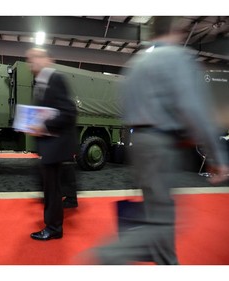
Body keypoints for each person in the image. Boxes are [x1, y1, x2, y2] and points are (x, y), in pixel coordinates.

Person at [86, 16, 229, 265]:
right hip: (162, 146)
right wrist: (217, 156)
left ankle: (167, 265)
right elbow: (195, 111)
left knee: (156, 214)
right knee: (163, 220)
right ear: (175, 30)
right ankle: (108, 256)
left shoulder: (137, 63)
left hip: (140, 145)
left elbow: (127, 110)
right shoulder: (178, 59)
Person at [25, 47, 78, 240]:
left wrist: (43, 125)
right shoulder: (41, 82)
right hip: (50, 145)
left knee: (53, 190)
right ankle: (53, 225)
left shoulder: (56, 79)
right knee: (50, 188)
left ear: (47, 59)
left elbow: (69, 113)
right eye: (30, 60)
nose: (32, 63)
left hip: (57, 145)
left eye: (36, 58)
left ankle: (54, 228)